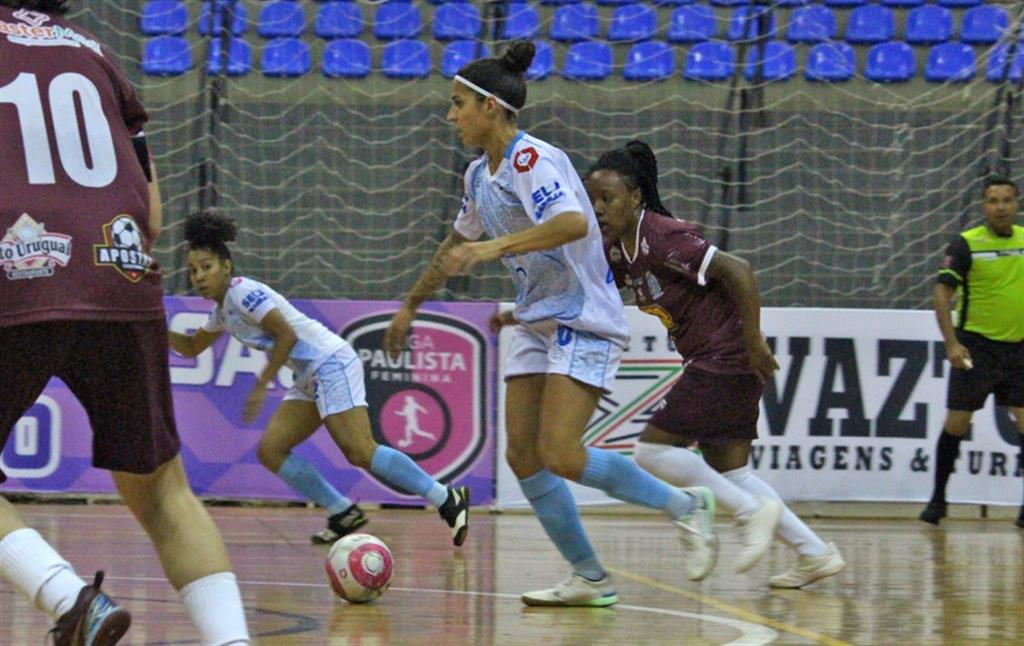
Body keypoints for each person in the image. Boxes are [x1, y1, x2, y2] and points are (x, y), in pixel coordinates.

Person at [384, 41, 718, 608]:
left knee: (561, 452)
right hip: (538, 317)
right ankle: (590, 578)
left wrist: (495, 250)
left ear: (491, 107)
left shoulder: (530, 160)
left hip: (583, 315)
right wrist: (412, 305)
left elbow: (568, 221)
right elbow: (455, 244)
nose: (450, 115)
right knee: (524, 457)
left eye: (458, 103)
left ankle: (687, 506)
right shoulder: (476, 175)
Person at [0, 1, 250, 643]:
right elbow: (156, 214)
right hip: (122, 274)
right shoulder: (95, 52)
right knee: (165, 491)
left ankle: (69, 601)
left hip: (18, 273)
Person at [585, 140, 846, 588]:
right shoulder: (618, 250)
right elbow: (592, 291)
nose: (599, 208)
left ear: (635, 196)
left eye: (607, 198)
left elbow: (738, 269)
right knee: (733, 470)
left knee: (651, 450)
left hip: (725, 357)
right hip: (720, 360)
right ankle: (815, 553)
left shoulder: (662, 235)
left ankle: (748, 514)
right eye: (592, 200)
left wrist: (752, 341)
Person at [169, 211, 470, 546]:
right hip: (309, 375)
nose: (198, 276)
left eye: (206, 266)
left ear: (226, 266)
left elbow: (286, 337)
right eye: (193, 271)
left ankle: (446, 497)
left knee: (359, 451)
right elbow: (193, 346)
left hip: (330, 362)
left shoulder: (242, 293)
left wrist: (260, 385)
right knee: (272, 450)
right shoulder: (222, 311)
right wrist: (155, 328)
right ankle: (342, 511)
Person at [920, 175, 1023, 529]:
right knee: (957, 422)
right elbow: (940, 293)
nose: (1000, 207)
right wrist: (951, 343)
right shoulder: (966, 244)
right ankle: (938, 499)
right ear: (983, 206)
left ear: (1016, 203)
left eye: (1007, 200)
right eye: (993, 201)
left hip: (1019, 349)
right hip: (976, 347)